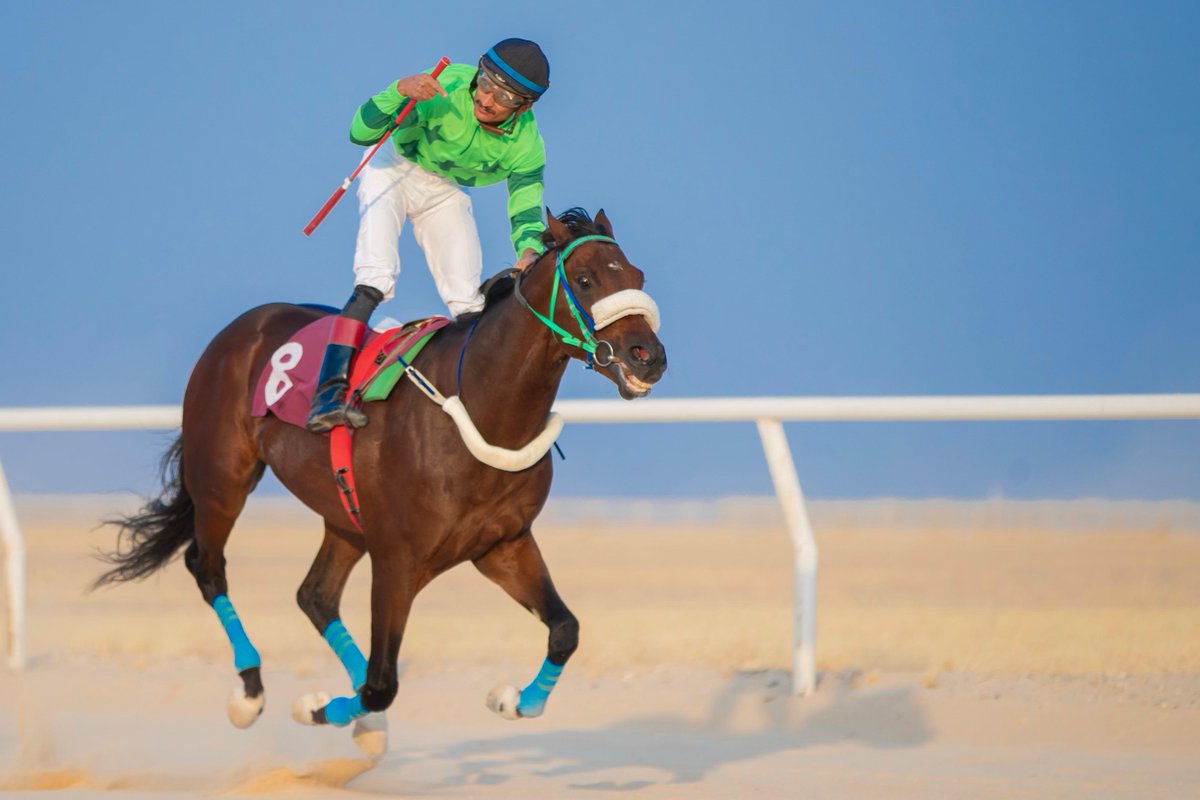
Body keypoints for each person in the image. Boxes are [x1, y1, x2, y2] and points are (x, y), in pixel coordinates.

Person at [306, 38, 551, 432]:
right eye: (485, 82)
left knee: (468, 301)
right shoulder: (449, 87)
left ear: (525, 106)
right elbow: (359, 133)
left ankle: (481, 404)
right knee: (376, 275)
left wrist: (528, 250)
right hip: (394, 167)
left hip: (444, 189)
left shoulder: (528, 145)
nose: (486, 98)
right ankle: (326, 394)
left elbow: (525, 204)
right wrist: (398, 91)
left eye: (503, 95)